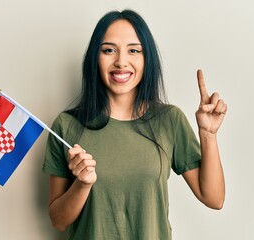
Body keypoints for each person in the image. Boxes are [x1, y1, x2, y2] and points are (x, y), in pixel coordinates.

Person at [42, 9, 227, 240]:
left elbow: (214, 198)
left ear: (146, 58)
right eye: (108, 50)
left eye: (133, 50)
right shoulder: (66, 125)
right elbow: (58, 221)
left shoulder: (169, 120)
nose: (121, 62)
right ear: (94, 58)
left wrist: (208, 134)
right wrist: (82, 184)